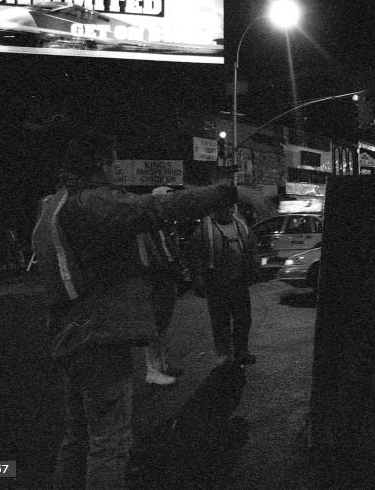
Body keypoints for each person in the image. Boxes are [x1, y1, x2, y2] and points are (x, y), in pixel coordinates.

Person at [32, 131, 243, 489]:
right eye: (113, 161)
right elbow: (157, 208)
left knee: (78, 436)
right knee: (109, 443)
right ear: (99, 164)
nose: (117, 168)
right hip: (98, 338)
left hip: (70, 335)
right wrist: (227, 191)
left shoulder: (54, 204)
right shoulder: (93, 204)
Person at [188, 204, 258, 366]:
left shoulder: (241, 226)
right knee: (220, 321)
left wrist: (254, 269)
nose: (228, 211)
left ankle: (241, 351)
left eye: (230, 208)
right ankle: (224, 354)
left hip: (239, 281)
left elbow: (252, 247)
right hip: (216, 282)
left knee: (243, 319)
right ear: (216, 210)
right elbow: (195, 256)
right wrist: (198, 280)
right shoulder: (204, 230)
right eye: (224, 208)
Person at [136, 186, 188, 386]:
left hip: (166, 279)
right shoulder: (146, 227)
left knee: (163, 326)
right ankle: (153, 369)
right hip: (155, 280)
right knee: (155, 326)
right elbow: (147, 257)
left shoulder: (165, 226)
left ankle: (163, 365)